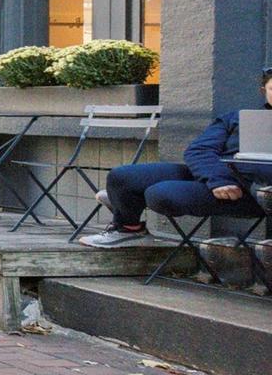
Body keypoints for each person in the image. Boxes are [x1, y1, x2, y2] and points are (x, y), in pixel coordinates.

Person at [80, 68, 272, 247]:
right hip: (213, 178)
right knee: (122, 176)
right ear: (264, 90)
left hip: (251, 192)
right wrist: (218, 179)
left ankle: (124, 202)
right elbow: (198, 150)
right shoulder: (238, 118)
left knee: (159, 193)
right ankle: (129, 230)